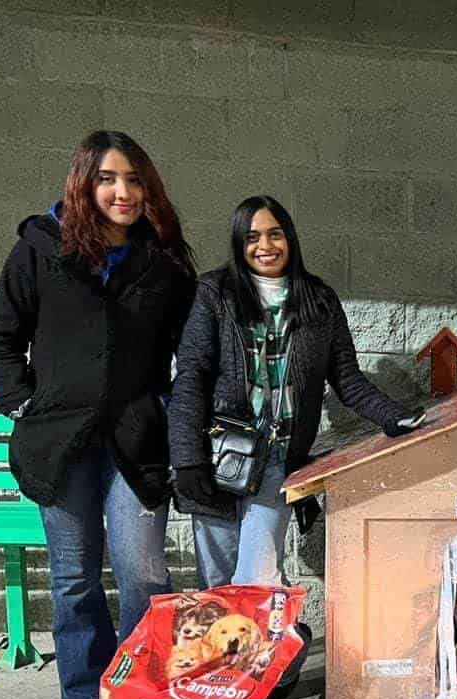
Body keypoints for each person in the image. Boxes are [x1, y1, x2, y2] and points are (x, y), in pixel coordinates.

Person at [0, 130, 196, 699]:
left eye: (134, 180)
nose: (123, 192)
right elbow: (2, 336)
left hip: (136, 440)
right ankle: (84, 686)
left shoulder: (163, 259)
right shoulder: (39, 249)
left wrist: (176, 411)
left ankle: (142, 685)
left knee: (143, 572)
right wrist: (23, 402)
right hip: (60, 443)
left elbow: (189, 350)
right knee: (74, 573)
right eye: (108, 179)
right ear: (84, 182)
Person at [168, 195, 423, 592]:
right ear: (239, 243)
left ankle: (278, 645)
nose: (265, 246)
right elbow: (190, 378)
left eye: (275, 234)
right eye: (252, 237)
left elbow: (347, 378)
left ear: (290, 238)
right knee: (217, 587)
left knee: (256, 581)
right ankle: (262, 651)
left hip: (278, 459)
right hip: (217, 456)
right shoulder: (214, 293)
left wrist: (393, 415)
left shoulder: (318, 300)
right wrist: (186, 460)